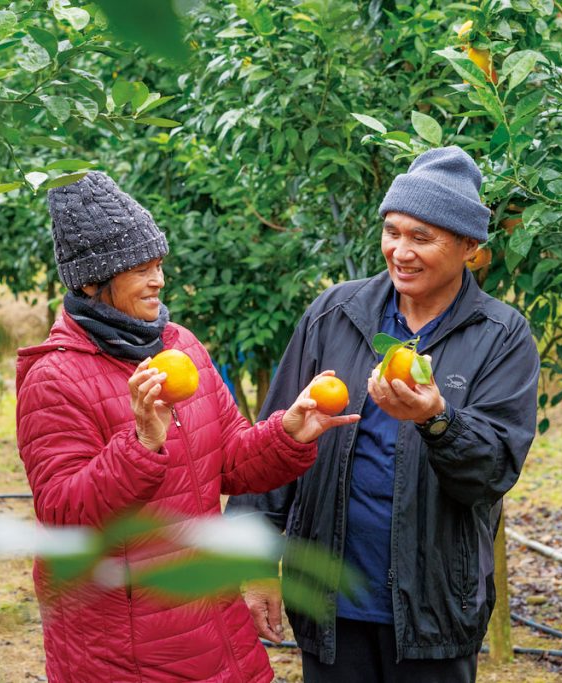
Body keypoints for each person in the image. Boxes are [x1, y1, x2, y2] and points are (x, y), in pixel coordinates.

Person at [15, 172, 359, 683]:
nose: (158, 280)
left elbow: (231, 460)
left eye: (159, 265)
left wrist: (286, 433)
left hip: (210, 617)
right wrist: (141, 445)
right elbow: (64, 515)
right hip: (127, 645)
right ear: (91, 282)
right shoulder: (55, 378)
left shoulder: (180, 345)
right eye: (141, 269)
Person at [226, 146, 540, 682]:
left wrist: (438, 420)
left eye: (422, 237)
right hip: (328, 601)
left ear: (469, 247)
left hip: (435, 608)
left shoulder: (500, 336)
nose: (401, 251)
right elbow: (272, 446)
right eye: (392, 231)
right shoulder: (334, 315)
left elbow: (492, 472)